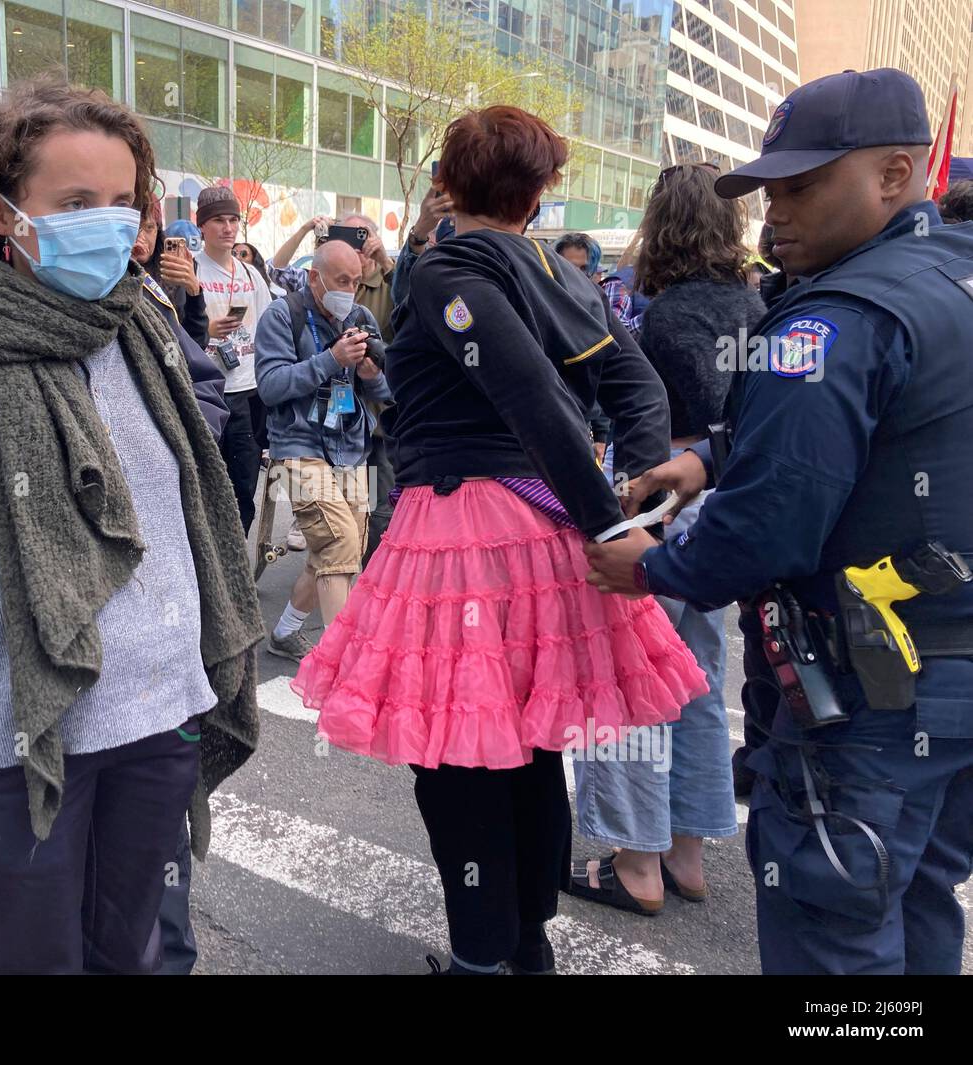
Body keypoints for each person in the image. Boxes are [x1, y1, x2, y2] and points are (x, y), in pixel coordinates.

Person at [0, 81, 262, 975]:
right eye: (77, 204)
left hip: (159, 714)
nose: (110, 226)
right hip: (15, 725)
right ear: (4, 212)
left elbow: (189, 504)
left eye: (123, 203)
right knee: (34, 957)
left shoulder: (143, 325)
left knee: (133, 951)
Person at [293, 106, 707, 975]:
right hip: (543, 527)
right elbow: (631, 383)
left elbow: (529, 396)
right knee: (530, 748)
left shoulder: (446, 269)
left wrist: (611, 523)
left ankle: (488, 960)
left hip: (462, 529)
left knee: (458, 764)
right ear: (543, 189)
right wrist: (636, 497)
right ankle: (525, 948)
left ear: (447, 179)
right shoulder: (563, 276)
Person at [585, 68, 973, 975]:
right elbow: (899, 418)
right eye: (769, 190)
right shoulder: (947, 277)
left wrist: (649, 568)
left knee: (835, 946)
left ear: (893, 173)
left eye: (801, 187)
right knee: (917, 907)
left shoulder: (834, 316)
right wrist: (713, 452)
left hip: (869, 694)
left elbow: (768, 525)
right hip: (944, 679)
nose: (774, 215)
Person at [568, 162, 766, 916]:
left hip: (658, 498)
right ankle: (687, 852)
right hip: (720, 501)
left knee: (627, 679)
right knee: (695, 681)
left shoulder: (661, 314)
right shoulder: (757, 305)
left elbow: (634, 413)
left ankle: (635, 859)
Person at [255, 239, 391, 661]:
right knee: (337, 542)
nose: (349, 290)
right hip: (297, 447)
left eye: (355, 281)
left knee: (342, 549)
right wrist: (331, 359)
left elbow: (385, 391)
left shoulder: (362, 316)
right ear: (315, 277)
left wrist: (370, 374)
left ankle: (285, 632)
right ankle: (345, 658)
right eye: (341, 281)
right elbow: (271, 386)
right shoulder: (283, 315)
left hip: (350, 445)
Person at [194, 185, 274, 532]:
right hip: (205, 390)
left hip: (246, 389)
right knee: (205, 484)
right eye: (218, 221)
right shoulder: (190, 270)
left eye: (233, 220)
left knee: (244, 485)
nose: (227, 228)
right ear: (202, 227)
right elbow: (171, 329)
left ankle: (236, 565)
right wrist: (207, 328)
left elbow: (269, 328)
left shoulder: (251, 274)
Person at [135, 194, 209, 347]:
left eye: (149, 227)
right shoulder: (114, 269)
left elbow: (197, 343)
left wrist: (194, 293)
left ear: (158, 229)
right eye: (134, 228)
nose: (141, 236)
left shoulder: (174, 270)